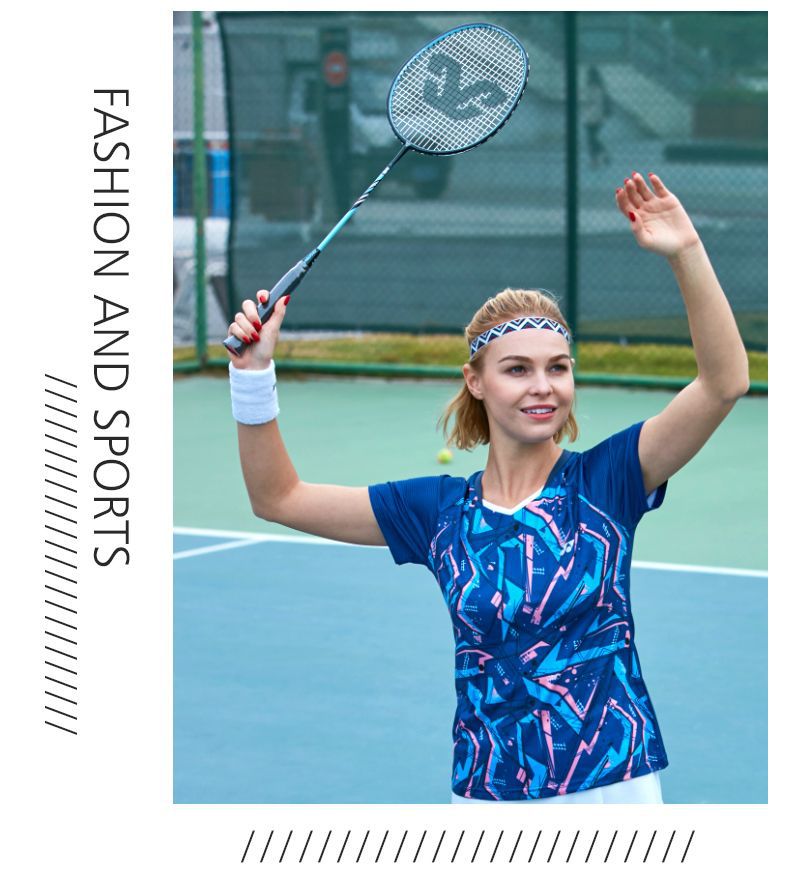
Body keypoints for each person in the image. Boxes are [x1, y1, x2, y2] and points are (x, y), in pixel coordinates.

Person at [225, 171, 749, 802]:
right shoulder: (436, 511)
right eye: (517, 369)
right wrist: (252, 376)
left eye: (558, 368)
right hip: (486, 794)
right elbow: (277, 498)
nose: (542, 386)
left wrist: (686, 252)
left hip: (612, 792)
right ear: (476, 382)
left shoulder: (609, 480)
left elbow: (723, 384)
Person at [583, 66, 612, 169]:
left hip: (592, 115)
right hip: (597, 115)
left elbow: (591, 101)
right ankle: (601, 155)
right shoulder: (600, 86)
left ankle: (597, 158)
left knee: (591, 139)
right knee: (592, 138)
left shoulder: (593, 87)